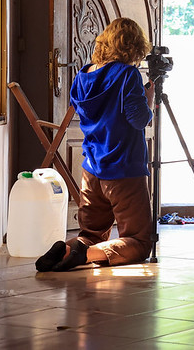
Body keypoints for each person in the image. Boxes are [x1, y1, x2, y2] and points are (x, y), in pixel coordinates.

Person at [35, 17, 155, 272]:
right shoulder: (128, 75)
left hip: (91, 170)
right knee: (140, 241)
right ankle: (84, 254)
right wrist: (149, 100)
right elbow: (138, 119)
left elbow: (84, 109)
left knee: (90, 233)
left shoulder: (83, 75)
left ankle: (69, 248)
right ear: (133, 46)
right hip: (124, 171)